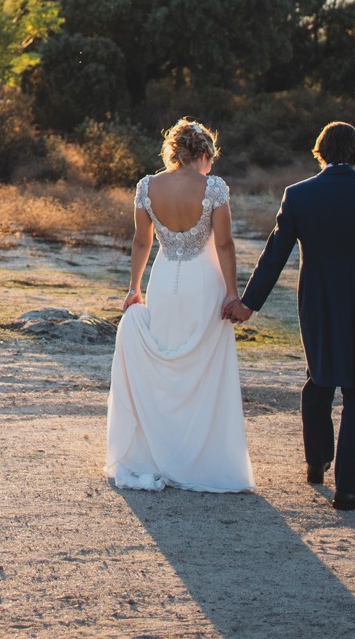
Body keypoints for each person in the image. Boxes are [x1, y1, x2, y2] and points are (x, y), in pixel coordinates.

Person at [226, 121, 355, 511]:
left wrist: (248, 304)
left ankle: (316, 461)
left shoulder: (298, 195)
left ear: (320, 151)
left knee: (319, 379)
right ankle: (348, 490)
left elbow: (274, 256)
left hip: (319, 303)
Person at [105, 117, 255, 493]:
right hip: (204, 283)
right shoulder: (213, 188)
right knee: (201, 368)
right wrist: (232, 292)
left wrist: (134, 287)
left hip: (163, 280)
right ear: (202, 153)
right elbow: (224, 244)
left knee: (167, 364)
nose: (211, 165)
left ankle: (161, 451)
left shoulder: (147, 186)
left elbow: (142, 242)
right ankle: (199, 457)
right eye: (211, 158)